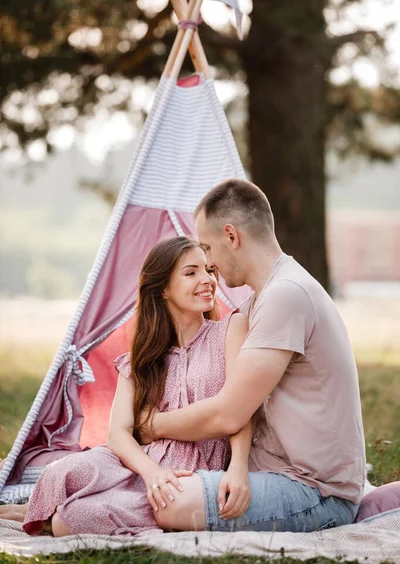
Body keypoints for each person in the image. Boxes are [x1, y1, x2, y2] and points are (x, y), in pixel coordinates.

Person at [138, 178, 366, 533]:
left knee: (171, 503)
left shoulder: (286, 295)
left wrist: (150, 425)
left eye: (208, 249)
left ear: (232, 236)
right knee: (157, 486)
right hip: (272, 472)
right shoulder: (261, 300)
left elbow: (230, 413)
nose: (209, 263)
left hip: (316, 490)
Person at [0, 236, 252, 536]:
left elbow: (242, 409)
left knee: (73, 519)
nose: (207, 279)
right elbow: (118, 434)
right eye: (191, 272)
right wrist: (151, 471)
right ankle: (38, 509)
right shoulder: (140, 359)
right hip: (140, 464)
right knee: (63, 472)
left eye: (210, 270)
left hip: (188, 474)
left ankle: (41, 515)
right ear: (163, 290)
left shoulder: (231, 330)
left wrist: (238, 467)